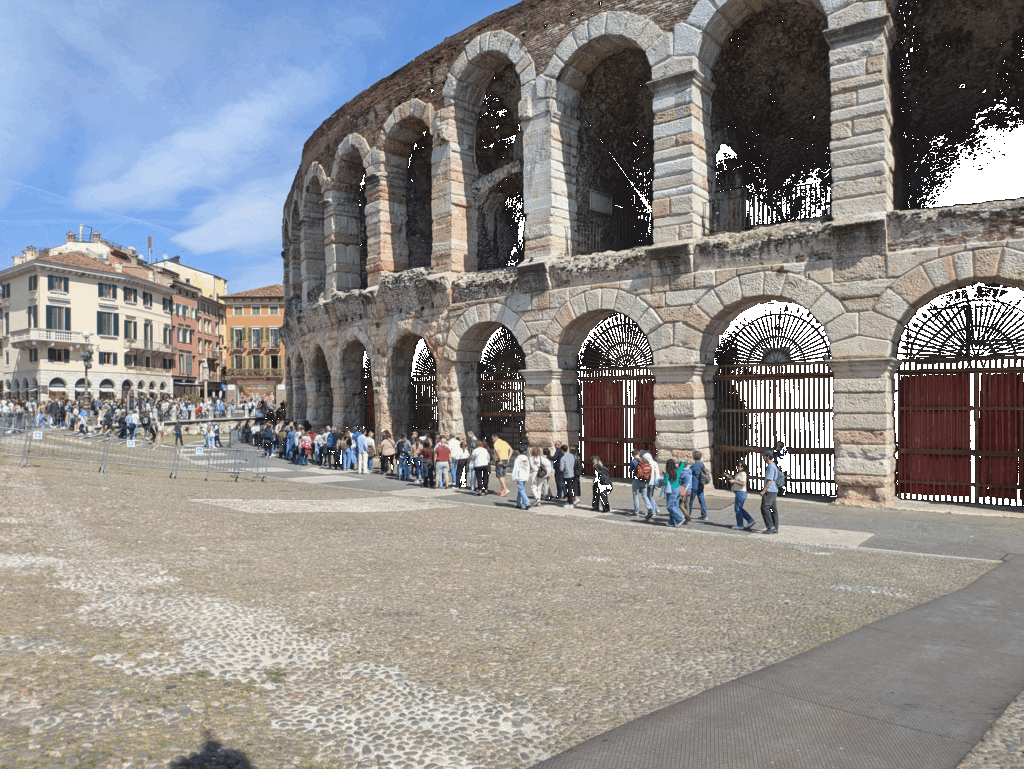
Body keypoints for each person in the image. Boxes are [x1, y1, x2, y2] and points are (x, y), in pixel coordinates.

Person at [724, 462, 755, 530]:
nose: (740, 467)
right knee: (739, 508)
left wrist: (734, 481)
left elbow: (743, 483)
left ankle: (740, 524)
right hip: (739, 492)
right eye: (738, 465)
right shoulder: (739, 473)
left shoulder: (743, 473)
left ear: (743, 467)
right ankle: (750, 520)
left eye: (741, 466)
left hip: (741, 492)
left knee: (738, 509)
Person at [663, 459, 689, 527]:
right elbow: (683, 465)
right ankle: (672, 522)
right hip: (678, 489)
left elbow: (665, 482)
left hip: (671, 490)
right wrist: (682, 461)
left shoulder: (667, 473)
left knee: (669, 506)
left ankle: (680, 519)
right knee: (674, 506)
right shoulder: (677, 471)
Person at [760, 449, 780, 533]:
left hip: (770, 490)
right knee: (773, 509)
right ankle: (775, 527)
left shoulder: (770, 466)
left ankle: (770, 527)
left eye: (764, 456)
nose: (763, 457)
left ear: (768, 457)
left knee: (764, 508)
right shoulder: (773, 465)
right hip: (774, 490)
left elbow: (770, 480)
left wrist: (764, 490)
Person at [688, 450, 709, 521]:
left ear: (694, 457)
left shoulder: (694, 465)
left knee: (690, 501)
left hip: (694, 485)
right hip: (701, 484)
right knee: (702, 500)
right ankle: (704, 515)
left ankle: (688, 514)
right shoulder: (702, 464)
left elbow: (689, 472)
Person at [641, 451, 660, 519]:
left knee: (649, 497)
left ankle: (653, 511)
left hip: (648, 482)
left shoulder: (646, 463)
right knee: (651, 496)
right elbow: (657, 474)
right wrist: (657, 483)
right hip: (653, 482)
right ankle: (656, 508)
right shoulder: (655, 463)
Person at [629, 449, 645, 517]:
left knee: (636, 495)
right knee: (644, 495)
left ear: (633, 455)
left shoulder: (633, 461)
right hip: (644, 479)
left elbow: (630, 470)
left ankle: (636, 512)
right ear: (639, 454)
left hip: (636, 479)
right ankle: (650, 510)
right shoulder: (644, 460)